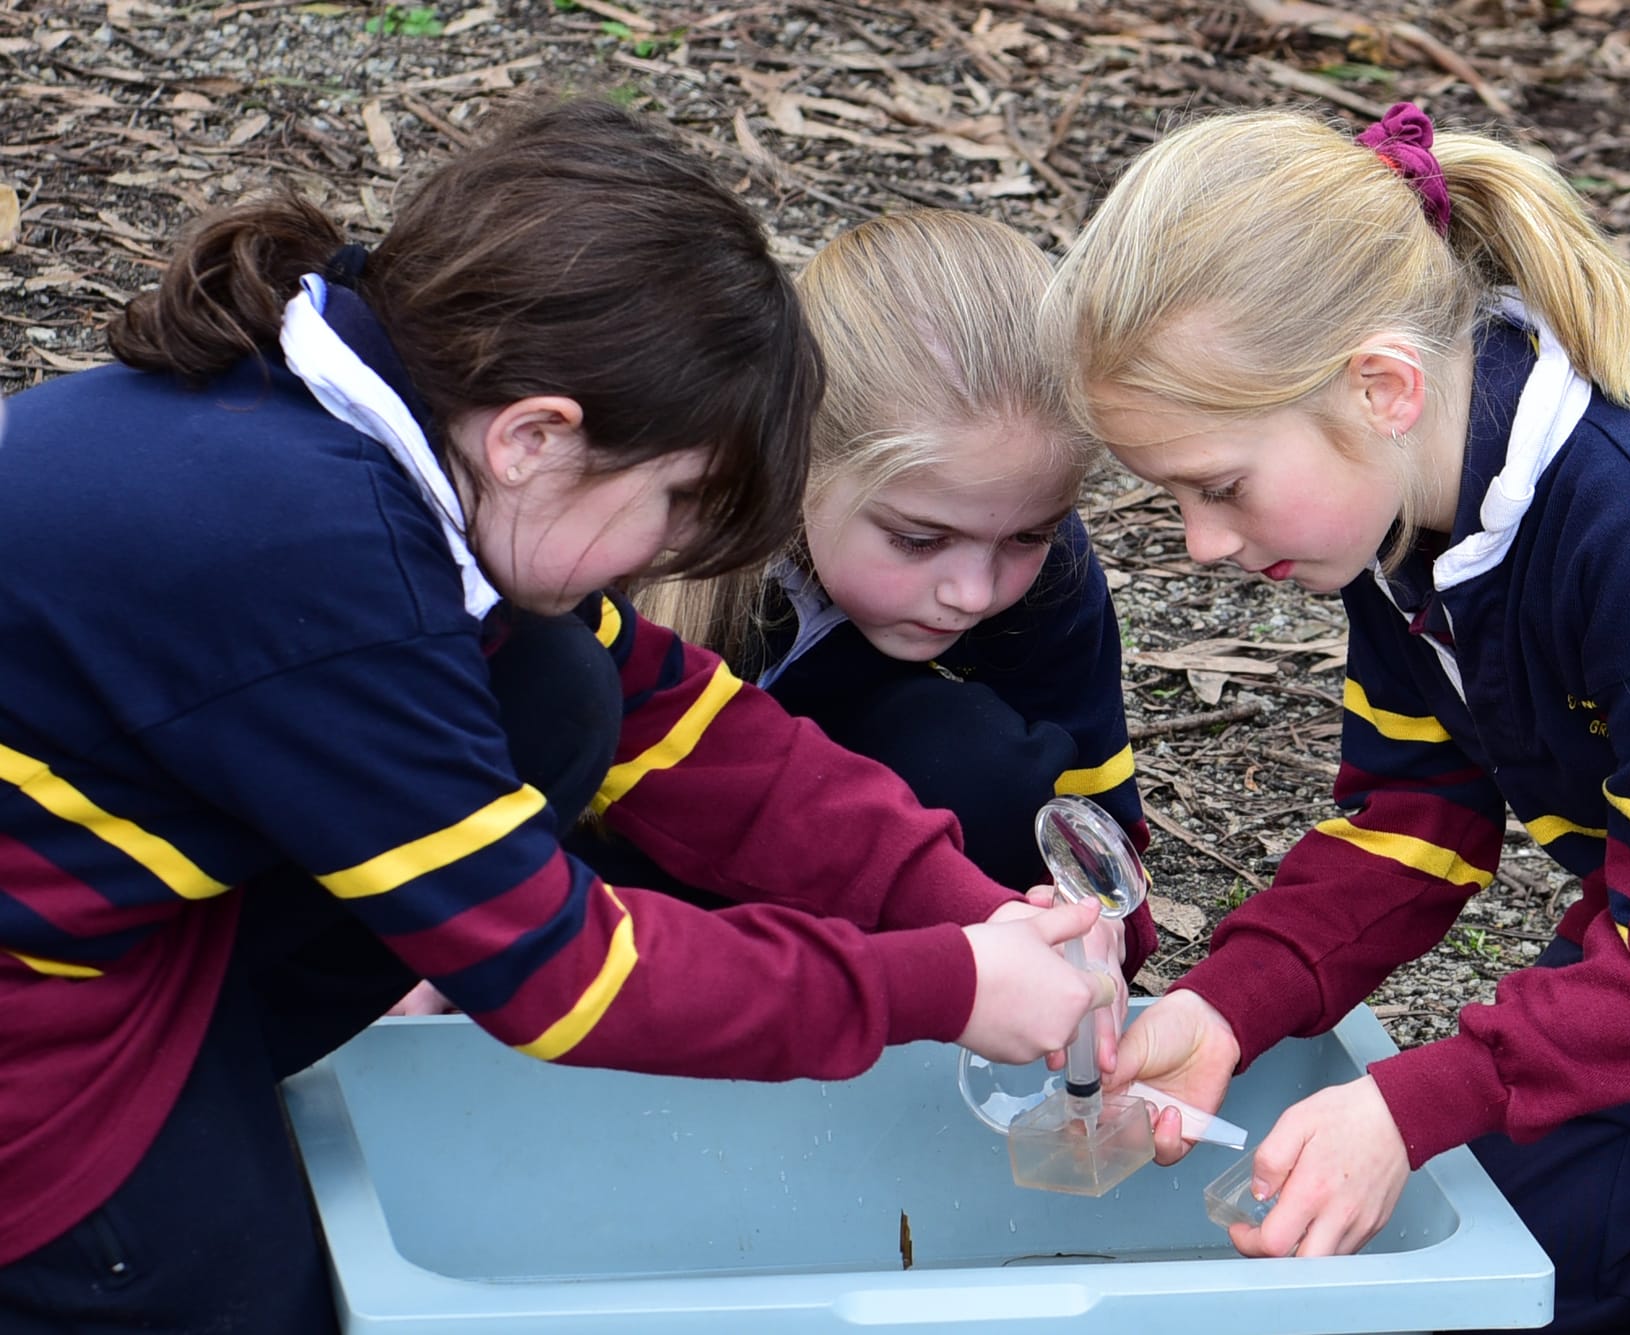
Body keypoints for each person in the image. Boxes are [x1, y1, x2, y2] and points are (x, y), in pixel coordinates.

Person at [0, 98, 1120, 1333]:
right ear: (539, 436)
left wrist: (963, 909)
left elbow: (665, 713)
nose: (683, 547)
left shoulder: (347, 417)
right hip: (32, 1050)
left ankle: (216, 1079)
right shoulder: (334, 582)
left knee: (552, 685)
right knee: (245, 1296)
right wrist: (936, 985)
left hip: (99, 907)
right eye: (679, 498)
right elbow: (562, 977)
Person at [1049, 102, 1630, 1333]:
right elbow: (1414, 821)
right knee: (1509, 1279)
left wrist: (1408, 1102)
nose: (1200, 542)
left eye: (1217, 486)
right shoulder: (1407, 501)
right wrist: (1225, 1003)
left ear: (1378, 386)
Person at [614, 208, 1156, 961]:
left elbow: (1093, 817)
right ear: (800, 460)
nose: (971, 590)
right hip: (636, 867)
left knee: (979, 766)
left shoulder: (1046, 562)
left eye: (1026, 536)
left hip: (888, 865)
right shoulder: (669, 542)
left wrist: (1094, 928)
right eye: (918, 539)